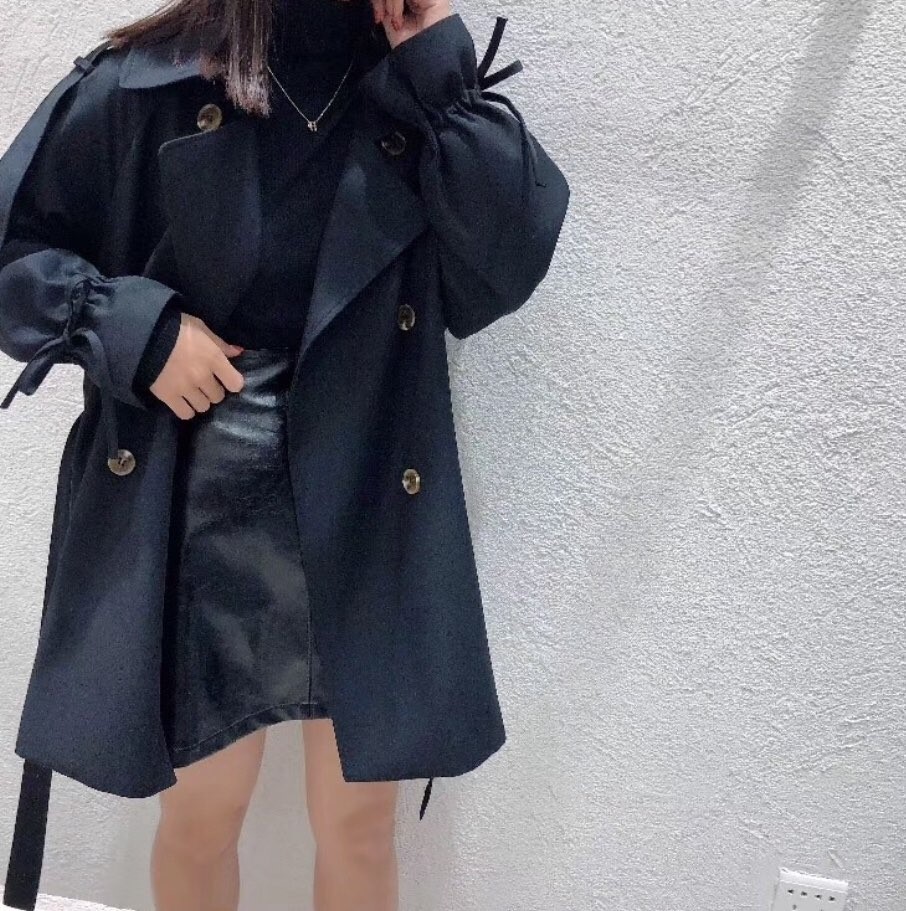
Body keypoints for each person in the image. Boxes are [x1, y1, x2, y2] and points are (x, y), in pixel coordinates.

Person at [0, 0, 570, 909]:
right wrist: (137, 332)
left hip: (367, 487)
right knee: (202, 815)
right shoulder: (153, 81)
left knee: (358, 822)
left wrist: (435, 62)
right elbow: (13, 250)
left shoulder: (412, 90)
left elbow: (507, 262)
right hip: (200, 488)